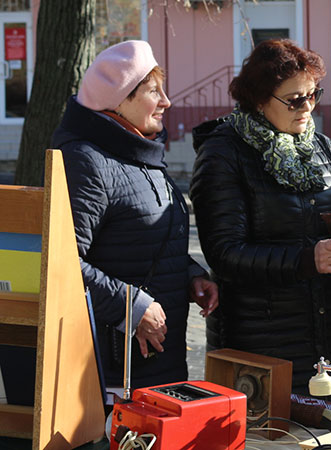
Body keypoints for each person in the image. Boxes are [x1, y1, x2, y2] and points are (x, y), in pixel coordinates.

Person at [189, 39, 331, 393]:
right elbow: (225, 253)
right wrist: (307, 258)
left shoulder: (324, 148)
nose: (307, 107)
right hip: (259, 344)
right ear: (259, 100)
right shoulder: (224, 153)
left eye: (314, 95)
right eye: (295, 99)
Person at [53, 40, 219, 390]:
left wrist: (189, 275)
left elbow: (140, 239)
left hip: (159, 361)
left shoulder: (141, 150)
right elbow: (60, 261)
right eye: (153, 91)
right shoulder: (84, 160)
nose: (166, 102)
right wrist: (130, 306)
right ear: (120, 100)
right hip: (107, 369)